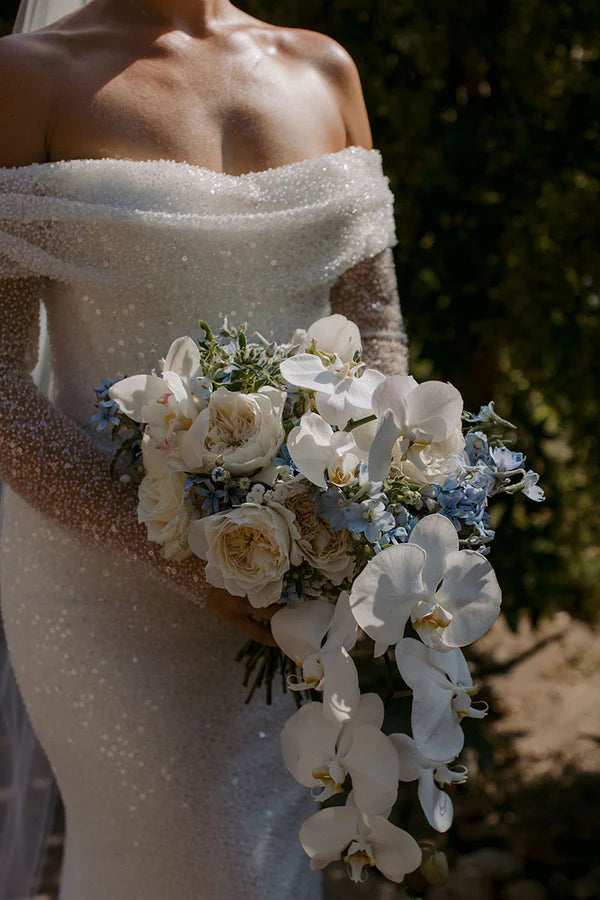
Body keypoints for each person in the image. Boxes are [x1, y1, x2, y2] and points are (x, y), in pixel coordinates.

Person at [0, 1, 409, 896]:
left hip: (296, 579)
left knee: (273, 868)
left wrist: (360, 524)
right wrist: (182, 556)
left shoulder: (325, 70)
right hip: (101, 586)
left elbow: (376, 334)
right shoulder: (28, 76)